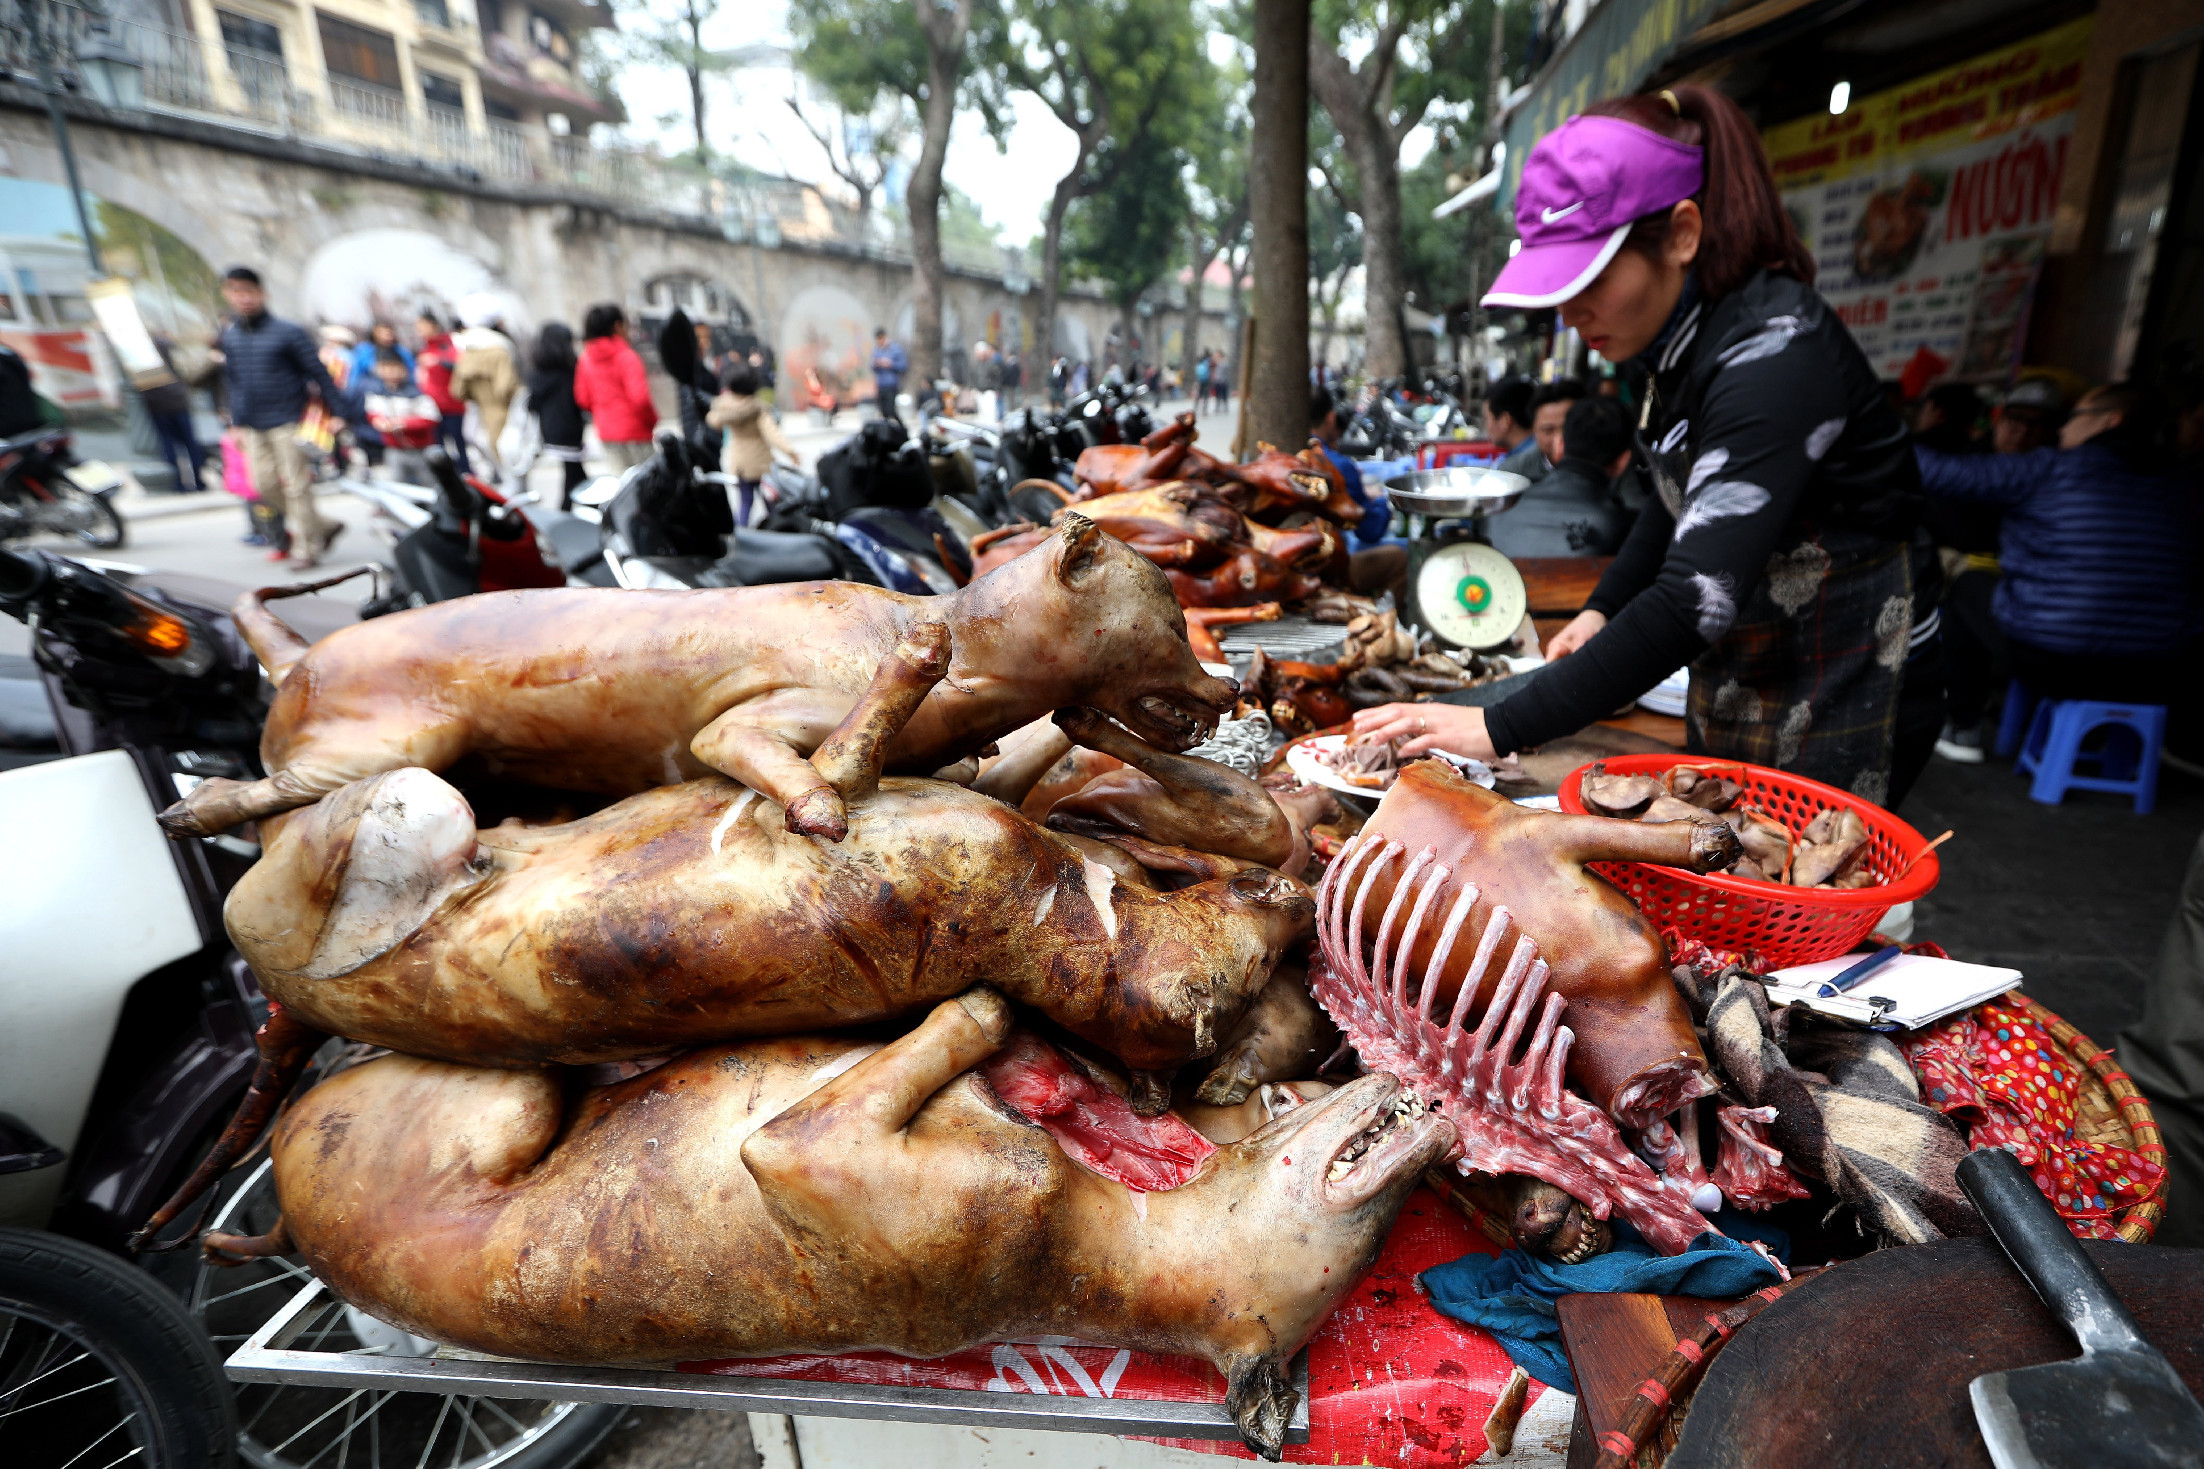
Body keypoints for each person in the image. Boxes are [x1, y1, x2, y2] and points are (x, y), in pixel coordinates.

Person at [1355, 84, 1943, 808]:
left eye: (1591, 278)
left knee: (1806, 879)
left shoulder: (1776, 357)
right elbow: (1677, 504)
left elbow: (1693, 598)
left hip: (1849, 670)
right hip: (1751, 657)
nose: (1572, 314)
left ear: (1683, 234)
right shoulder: (1673, 345)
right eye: (1558, 288)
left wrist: (1496, 724)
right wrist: (1601, 608)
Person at [1915, 381, 2194, 707]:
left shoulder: (2051, 467)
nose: (2065, 427)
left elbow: (1935, 471)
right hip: (2162, 670)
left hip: (2056, 661)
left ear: (2110, 420)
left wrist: (1869, 430)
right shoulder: (2185, 484)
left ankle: (1962, 721)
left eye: (2076, 415)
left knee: (1964, 585)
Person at [1927, 378, 2061, 762]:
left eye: (2037, 424)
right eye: (2014, 419)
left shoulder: (2055, 473)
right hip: (1981, 587)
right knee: (1964, 593)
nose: (2022, 431)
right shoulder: (1968, 464)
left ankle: (1965, 722)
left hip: (2040, 603)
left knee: (1965, 600)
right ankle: (1965, 719)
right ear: (1998, 419)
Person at [215, 266, 345, 569]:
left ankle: (307, 548)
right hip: (252, 424)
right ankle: (322, 525)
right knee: (261, 485)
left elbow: (319, 373)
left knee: (297, 486)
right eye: (235, 291)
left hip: (289, 419)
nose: (243, 298)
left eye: (248, 291)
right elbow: (232, 381)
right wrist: (234, 423)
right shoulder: (231, 336)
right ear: (227, 295)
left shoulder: (288, 332)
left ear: (262, 294)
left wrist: (338, 413)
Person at [1489, 394, 1635, 559]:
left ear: (1560, 445)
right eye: (1547, 429)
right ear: (1623, 461)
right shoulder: (1626, 527)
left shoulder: (1502, 508)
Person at [707, 362, 801, 527]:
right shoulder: (757, 409)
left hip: (740, 463)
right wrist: (790, 451)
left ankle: (741, 532)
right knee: (769, 499)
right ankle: (778, 527)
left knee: (745, 501)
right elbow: (772, 433)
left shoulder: (725, 408)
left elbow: (714, 421)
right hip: (760, 463)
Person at [573, 303, 657, 471]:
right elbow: (640, 398)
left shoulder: (585, 359)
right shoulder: (626, 357)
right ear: (617, 326)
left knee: (622, 487)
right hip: (637, 432)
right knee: (649, 487)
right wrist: (651, 420)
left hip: (607, 432)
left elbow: (583, 398)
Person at [449, 297, 521, 474]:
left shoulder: (465, 352)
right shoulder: (500, 348)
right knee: (512, 467)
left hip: (479, 417)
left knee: (498, 467)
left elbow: (457, 391)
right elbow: (506, 387)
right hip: (505, 415)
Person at [360, 349, 442, 484]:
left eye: (394, 368)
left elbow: (431, 418)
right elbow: (372, 412)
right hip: (394, 447)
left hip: (420, 447)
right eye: (386, 368)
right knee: (398, 485)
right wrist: (379, 422)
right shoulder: (376, 391)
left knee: (429, 484)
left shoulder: (416, 392)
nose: (390, 372)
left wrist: (403, 423)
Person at [528, 322, 587, 507]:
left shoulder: (538, 372)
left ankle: (578, 506)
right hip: (570, 428)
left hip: (550, 428)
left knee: (573, 470)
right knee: (574, 471)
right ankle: (568, 508)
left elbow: (533, 404)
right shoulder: (570, 369)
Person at [141, 334, 206, 494]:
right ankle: (198, 481)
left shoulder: (140, 349)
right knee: (190, 442)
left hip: (156, 402)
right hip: (177, 398)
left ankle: (178, 482)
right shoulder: (168, 344)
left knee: (168, 444)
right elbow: (189, 370)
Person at [1499, 378, 1584, 484]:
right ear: (1534, 430)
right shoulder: (1513, 474)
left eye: (1568, 428)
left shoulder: (1605, 468)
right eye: (1548, 431)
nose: (1559, 439)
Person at [414, 310, 467, 470]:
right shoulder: (424, 348)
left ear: (433, 325)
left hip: (452, 403)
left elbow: (460, 364)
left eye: (422, 326)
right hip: (431, 406)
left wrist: (438, 361)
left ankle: (466, 474)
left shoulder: (449, 342)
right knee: (439, 446)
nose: (420, 330)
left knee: (458, 443)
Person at [1482, 376, 1535, 458]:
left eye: (1486, 418)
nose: (1486, 427)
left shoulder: (1513, 466)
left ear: (1505, 420)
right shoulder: (1545, 455)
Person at [348, 322, 412, 386]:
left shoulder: (401, 352)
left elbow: (411, 371)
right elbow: (356, 372)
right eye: (383, 333)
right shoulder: (365, 351)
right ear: (375, 333)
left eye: (389, 333)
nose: (387, 336)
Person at [870, 327, 908, 417]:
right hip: (881, 384)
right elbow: (871, 366)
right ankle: (886, 429)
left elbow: (903, 366)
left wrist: (890, 364)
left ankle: (902, 429)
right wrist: (877, 363)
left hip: (891, 385)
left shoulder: (895, 349)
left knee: (890, 410)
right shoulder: (876, 350)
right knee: (883, 411)